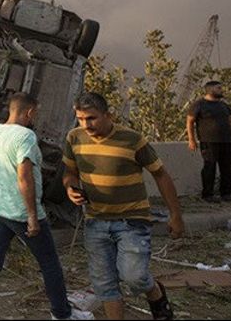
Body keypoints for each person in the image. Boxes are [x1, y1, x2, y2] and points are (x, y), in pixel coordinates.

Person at [63, 92, 185, 321]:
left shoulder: (132, 139)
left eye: (91, 118)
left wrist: (175, 215)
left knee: (134, 277)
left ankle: (155, 292)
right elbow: (70, 172)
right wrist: (71, 188)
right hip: (95, 221)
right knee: (105, 283)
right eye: (80, 119)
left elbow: (160, 174)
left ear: (108, 115)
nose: (85, 124)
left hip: (132, 221)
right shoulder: (74, 138)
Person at [0, 92, 78, 320]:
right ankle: (62, 314)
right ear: (29, 112)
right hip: (21, 212)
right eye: (35, 113)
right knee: (49, 263)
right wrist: (32, 215)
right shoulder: (26, 137)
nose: (34, 117)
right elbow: (24, 177)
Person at [186, 80, 231, 202]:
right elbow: (190, 121)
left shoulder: (223, 105)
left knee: (227, 167)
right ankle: (208, 195)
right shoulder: (199, 104)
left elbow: (230, 123)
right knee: (209, 167)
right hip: (209, 141)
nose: (221, 90)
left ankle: (226, 194)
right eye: (219, 88)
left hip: (227, 141)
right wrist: (191, 139)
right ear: (210, 90)